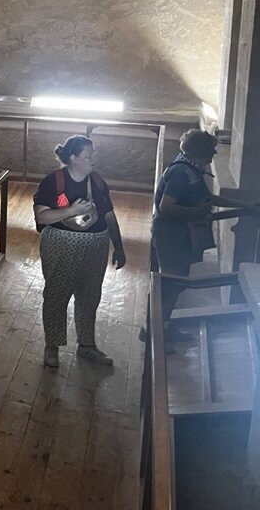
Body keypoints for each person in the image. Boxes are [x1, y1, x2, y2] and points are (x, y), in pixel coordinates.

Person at [148, 129, 255, 343]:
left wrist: (244, 205)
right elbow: (166, 207)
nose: (215, 152)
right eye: (211, 149)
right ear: (200, 152)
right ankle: (154, 331)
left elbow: (207, 198)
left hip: (179, 235)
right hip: (171, 235)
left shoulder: (191, 168)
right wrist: (196, 212)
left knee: (176, 283)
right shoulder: (181, 173)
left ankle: (163, 326)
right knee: (170, 284)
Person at [33, 135, 126, 368]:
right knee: (57, 293)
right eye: (87, 156)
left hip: (96, 244)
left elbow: (108, 214)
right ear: (73, 158)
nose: (92, 160)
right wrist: (70, 210)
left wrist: (119, 246)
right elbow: (41, 216)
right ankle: (52, 346)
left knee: (90, 294)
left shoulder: (97, 181)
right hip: (62, 243)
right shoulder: (53, 182)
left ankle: (87, 345)